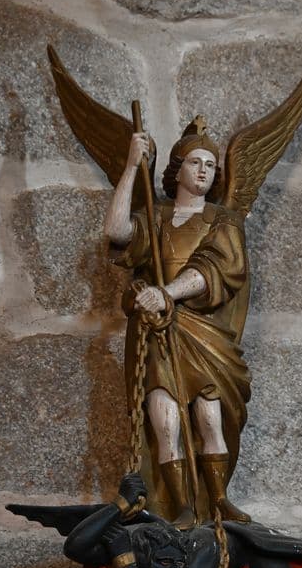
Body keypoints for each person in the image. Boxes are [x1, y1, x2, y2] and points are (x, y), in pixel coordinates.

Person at [104, 119, 252, 529]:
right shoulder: (156, 217)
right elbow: (116, 230)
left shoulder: (223, 221)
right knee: (165, 420)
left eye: (210, 165)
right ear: (177, 168)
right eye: (195, 162)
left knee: (209, 416)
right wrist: (131, 167)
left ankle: (218, 499)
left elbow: (215, 270)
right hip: (158, 331)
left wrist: (166, 292)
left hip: (202, 332)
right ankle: (182, 504)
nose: (204, 171)